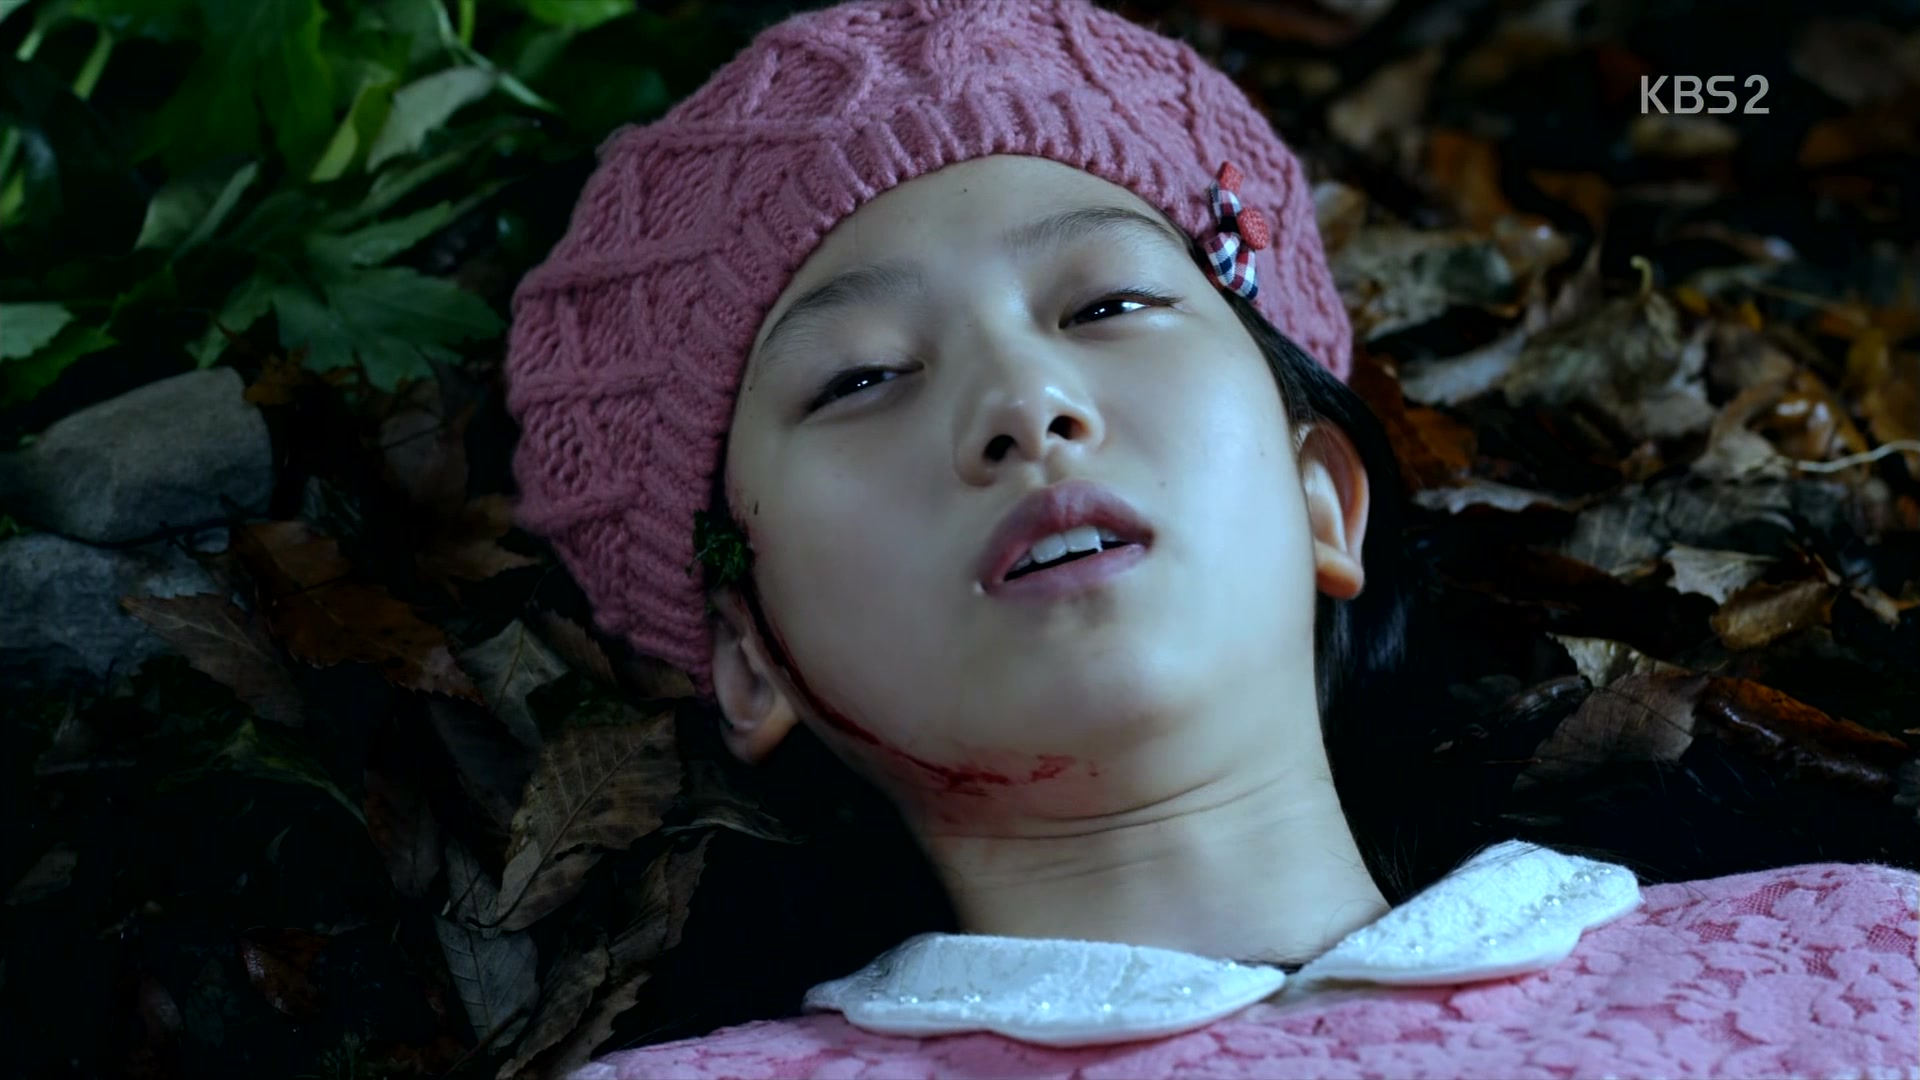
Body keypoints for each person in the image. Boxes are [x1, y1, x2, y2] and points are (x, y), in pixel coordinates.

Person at [502, 1, 1920, 1076]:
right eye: (862, 377)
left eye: (1109, 306)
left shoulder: (1857, 956)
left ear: (1323, 501)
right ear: (749, 660)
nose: (1025, 405)